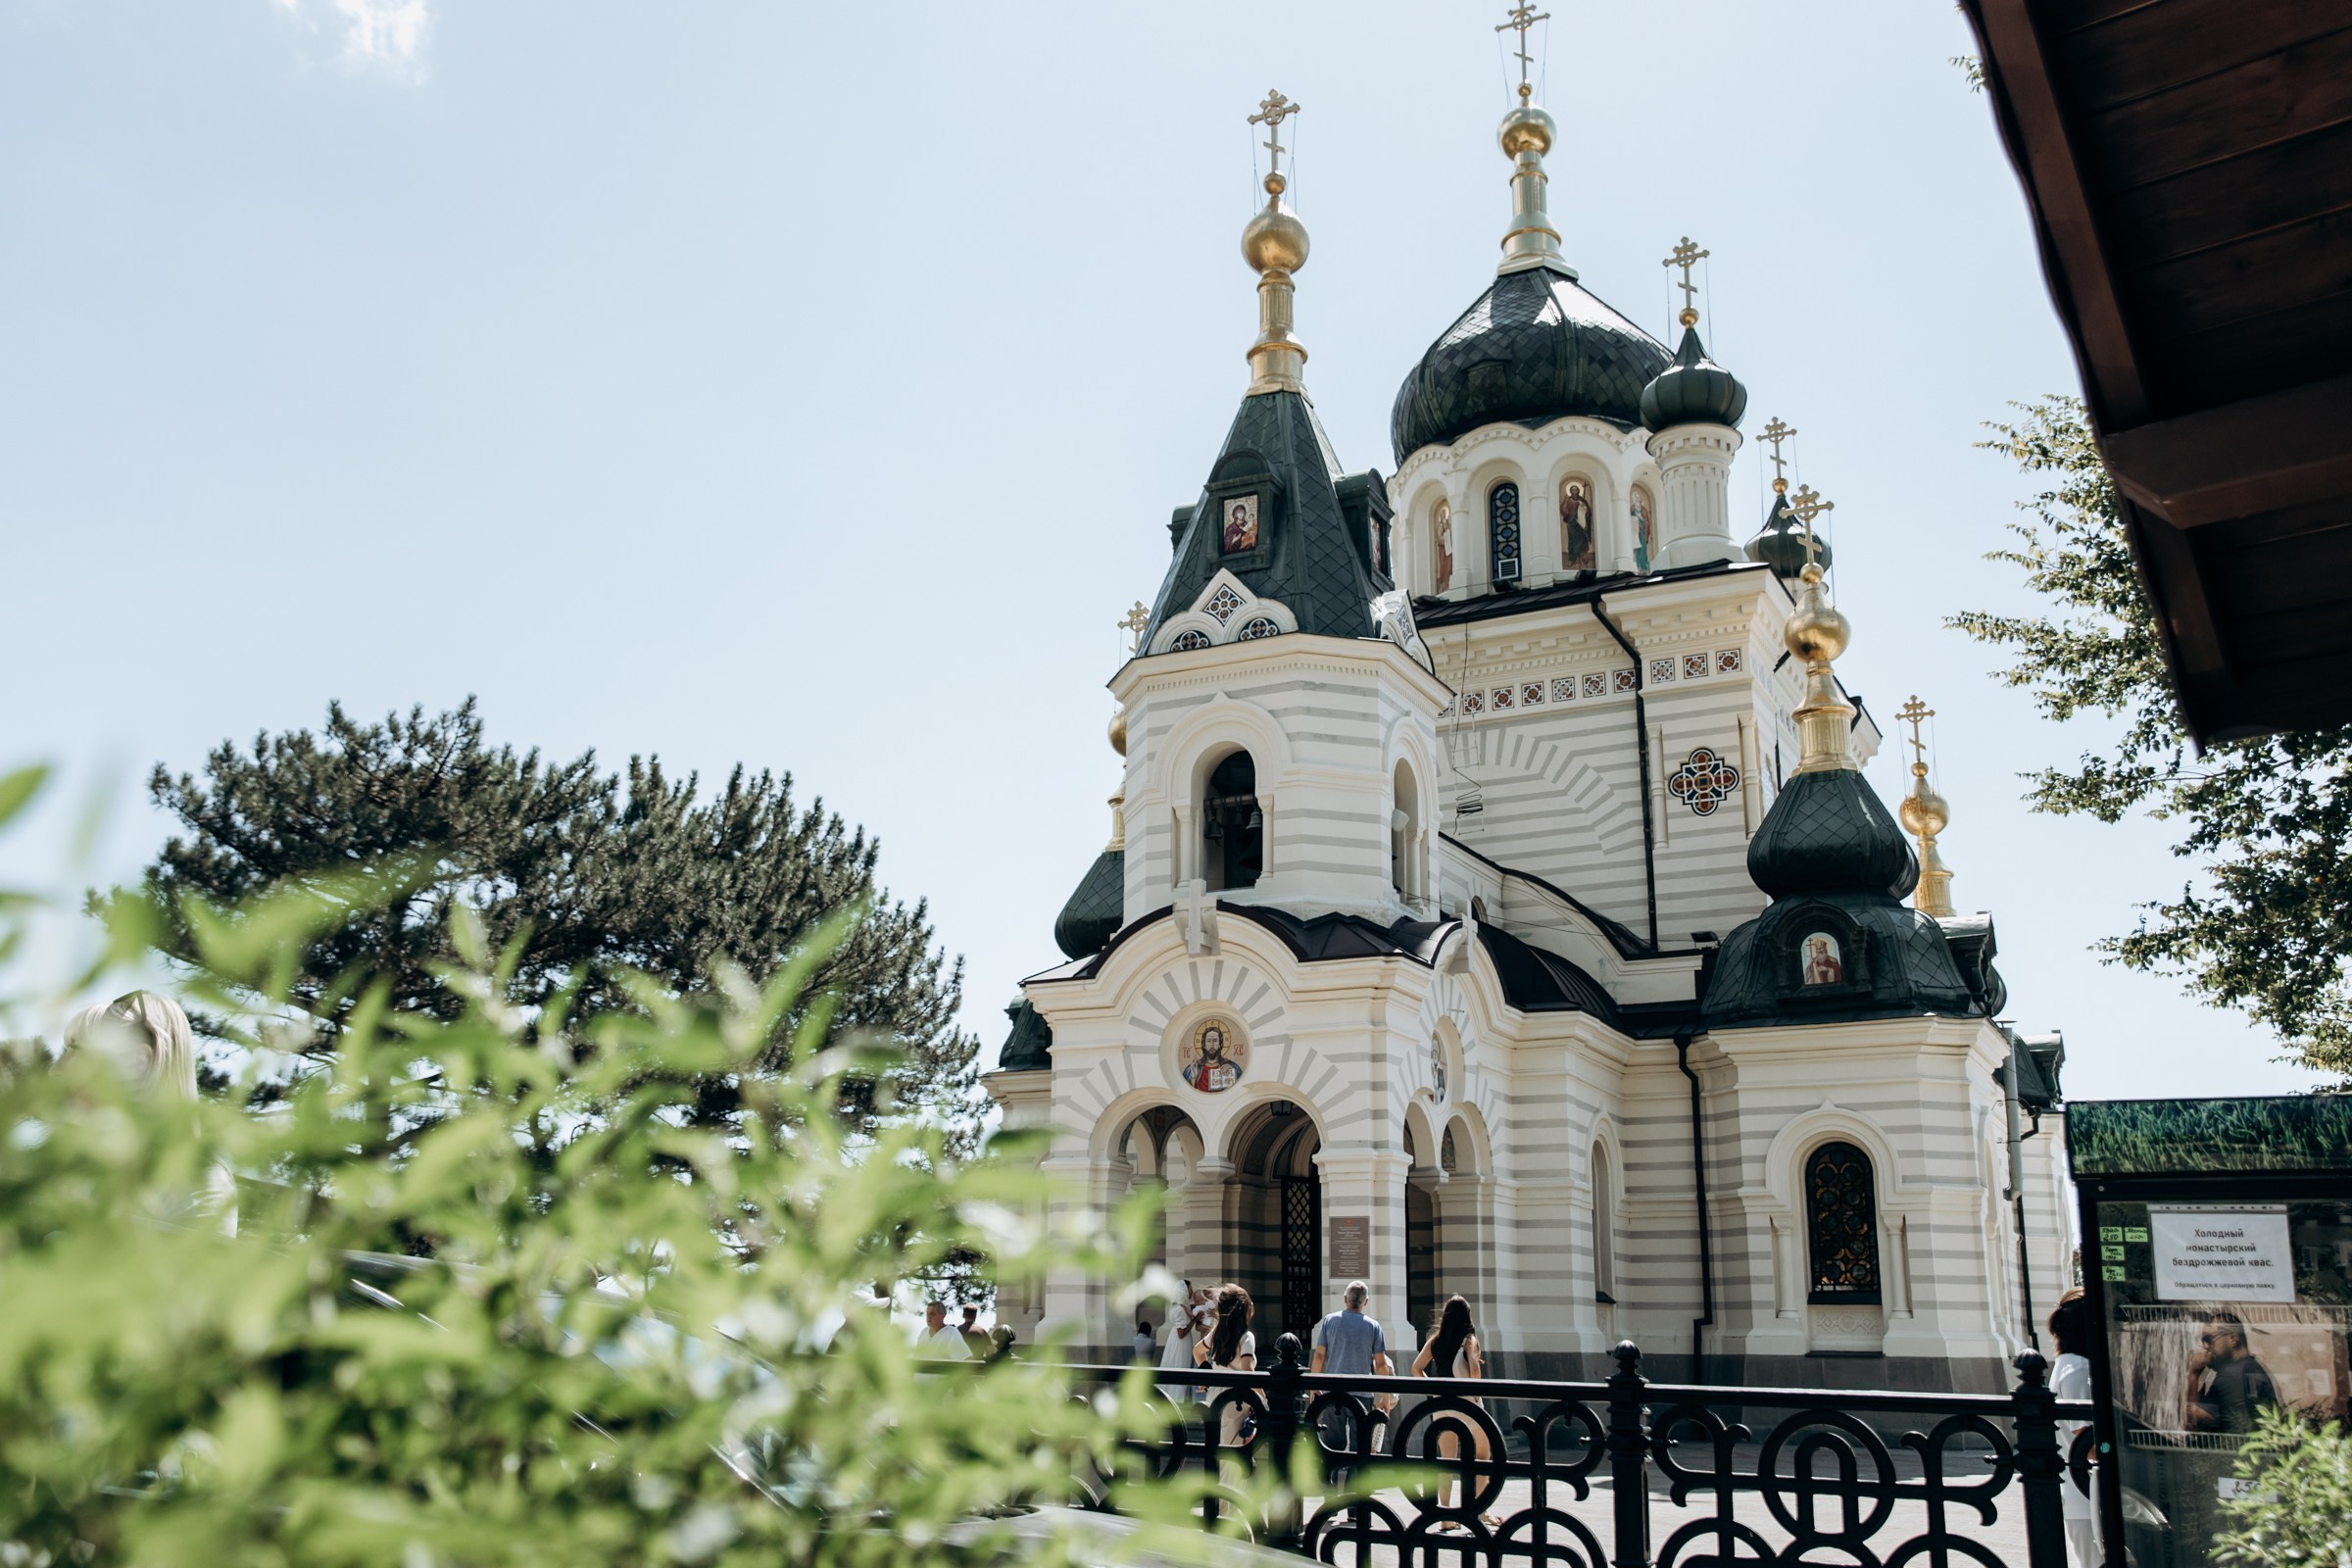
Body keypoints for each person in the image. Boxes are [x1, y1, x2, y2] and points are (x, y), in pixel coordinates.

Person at [1410, 1295, 1494, 1529]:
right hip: (1468, 1405)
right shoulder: (1469, 1339)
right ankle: (1478, 1510)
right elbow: (1475, 1376)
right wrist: (1471, 1353)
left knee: (1446, 1460)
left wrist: (1434, 1390)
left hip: (1443, 1405)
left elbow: (1416, 1368)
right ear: (1467, 1316)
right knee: (1482, 1457)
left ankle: (1445, 1517)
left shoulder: (1436, 1340)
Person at [1312, 1280, 1396, 1466]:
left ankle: (1331, 1488)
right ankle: (1354, 1490)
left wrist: (1314, 1386)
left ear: (1345, 1299)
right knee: (1360, 1447)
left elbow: (1319, 1356)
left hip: (1333, 1393)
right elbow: (1380, 1364)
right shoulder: (1373, 1326)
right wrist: (1385, 1397)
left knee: (1332, 1446)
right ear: (1365, 1302)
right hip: (1362, 1394)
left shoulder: (1330, 1321)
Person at [2047, 1290, 2100, 1568]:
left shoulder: (2068, 1364)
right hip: (2085, 1495)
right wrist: (2114, 1448)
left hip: (2081, 1493)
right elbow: (2089, 1445)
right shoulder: (2078, 1370)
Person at [2185, 1310, 2277, 1435]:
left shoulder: (2232, 1375)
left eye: (2209, 1339)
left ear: (2233, 1339)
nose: (2205, 1347)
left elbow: (2192, 1421)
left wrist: (2194, 1374)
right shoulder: (2250, 1367)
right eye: (2202, 1341)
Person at [1194, 1283, 1257, 1446]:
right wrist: (1263, 1400)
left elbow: (1197, 1351)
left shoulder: (1217, 1333)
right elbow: (1248, 1370)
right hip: (1236, 1400)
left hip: (1215, 1397)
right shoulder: (1246, 1336)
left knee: (1217, 1449)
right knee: (1234, 1455)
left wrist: (1207, 1374)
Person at [1158, 1283, 1208, 1405]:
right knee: (1181, 1364)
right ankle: (1178, 1398)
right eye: (1190, 1289)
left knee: (1175, 1364)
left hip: (1174, 1339)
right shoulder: (1180, 1309)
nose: (1191, 1292)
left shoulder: (1177, 1306)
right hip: (1180, 1342)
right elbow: (1181, 1333)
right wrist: (1194, 1321)